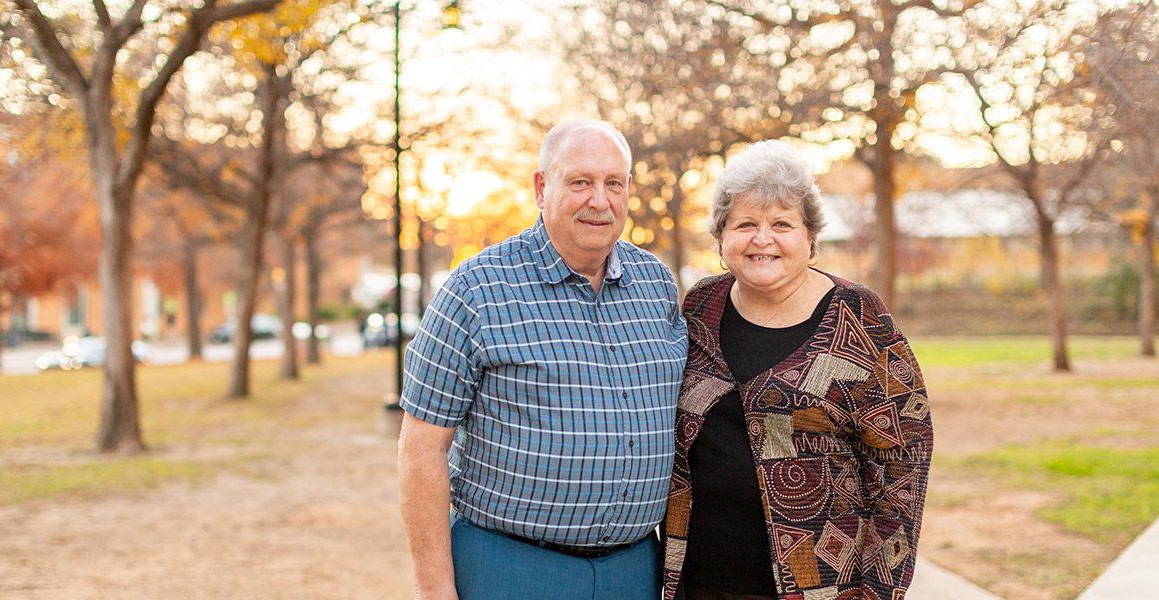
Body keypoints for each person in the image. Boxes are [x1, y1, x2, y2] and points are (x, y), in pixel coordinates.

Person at [398, 119, 688, 600]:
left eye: (613, 183)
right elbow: (421, 449)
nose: (600, 200)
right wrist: (434, 590)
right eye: (580, 182)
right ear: (541, 187)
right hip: (509, 568)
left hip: (636, 571)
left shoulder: (655, 285)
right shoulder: (476, 291)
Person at [662, 140, 933, 600]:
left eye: (781, 224)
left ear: (809, 238)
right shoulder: (700, 307)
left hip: (821, 588)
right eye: (745, 224)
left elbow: (902, 463)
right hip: (698, 581)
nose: (762, 239)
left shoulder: (858, 317)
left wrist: (879, 590)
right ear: (722, 239)